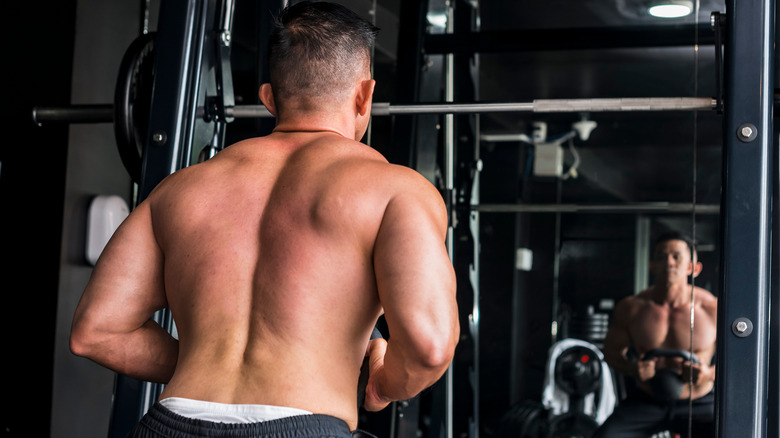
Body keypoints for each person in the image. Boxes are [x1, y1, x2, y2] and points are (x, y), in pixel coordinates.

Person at [69, 2, 460, 437]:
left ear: (269, 98)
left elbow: (96, 331)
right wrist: (382, 386)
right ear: (364, 95)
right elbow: (429, 348)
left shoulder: (179, 189)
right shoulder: (396, 190)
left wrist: (207, 359)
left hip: (166, 426)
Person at [593, 232, 717, 438]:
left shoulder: (712, 309)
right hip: (647, 400)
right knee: (606, 435)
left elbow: (742, 358)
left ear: (692, 268)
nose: (669, 262)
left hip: (698, 402)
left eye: (676, 256)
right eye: (661, 256)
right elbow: (612, 353)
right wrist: (632, 368)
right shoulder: (632, 308)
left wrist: (708, 374)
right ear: (652, 266)